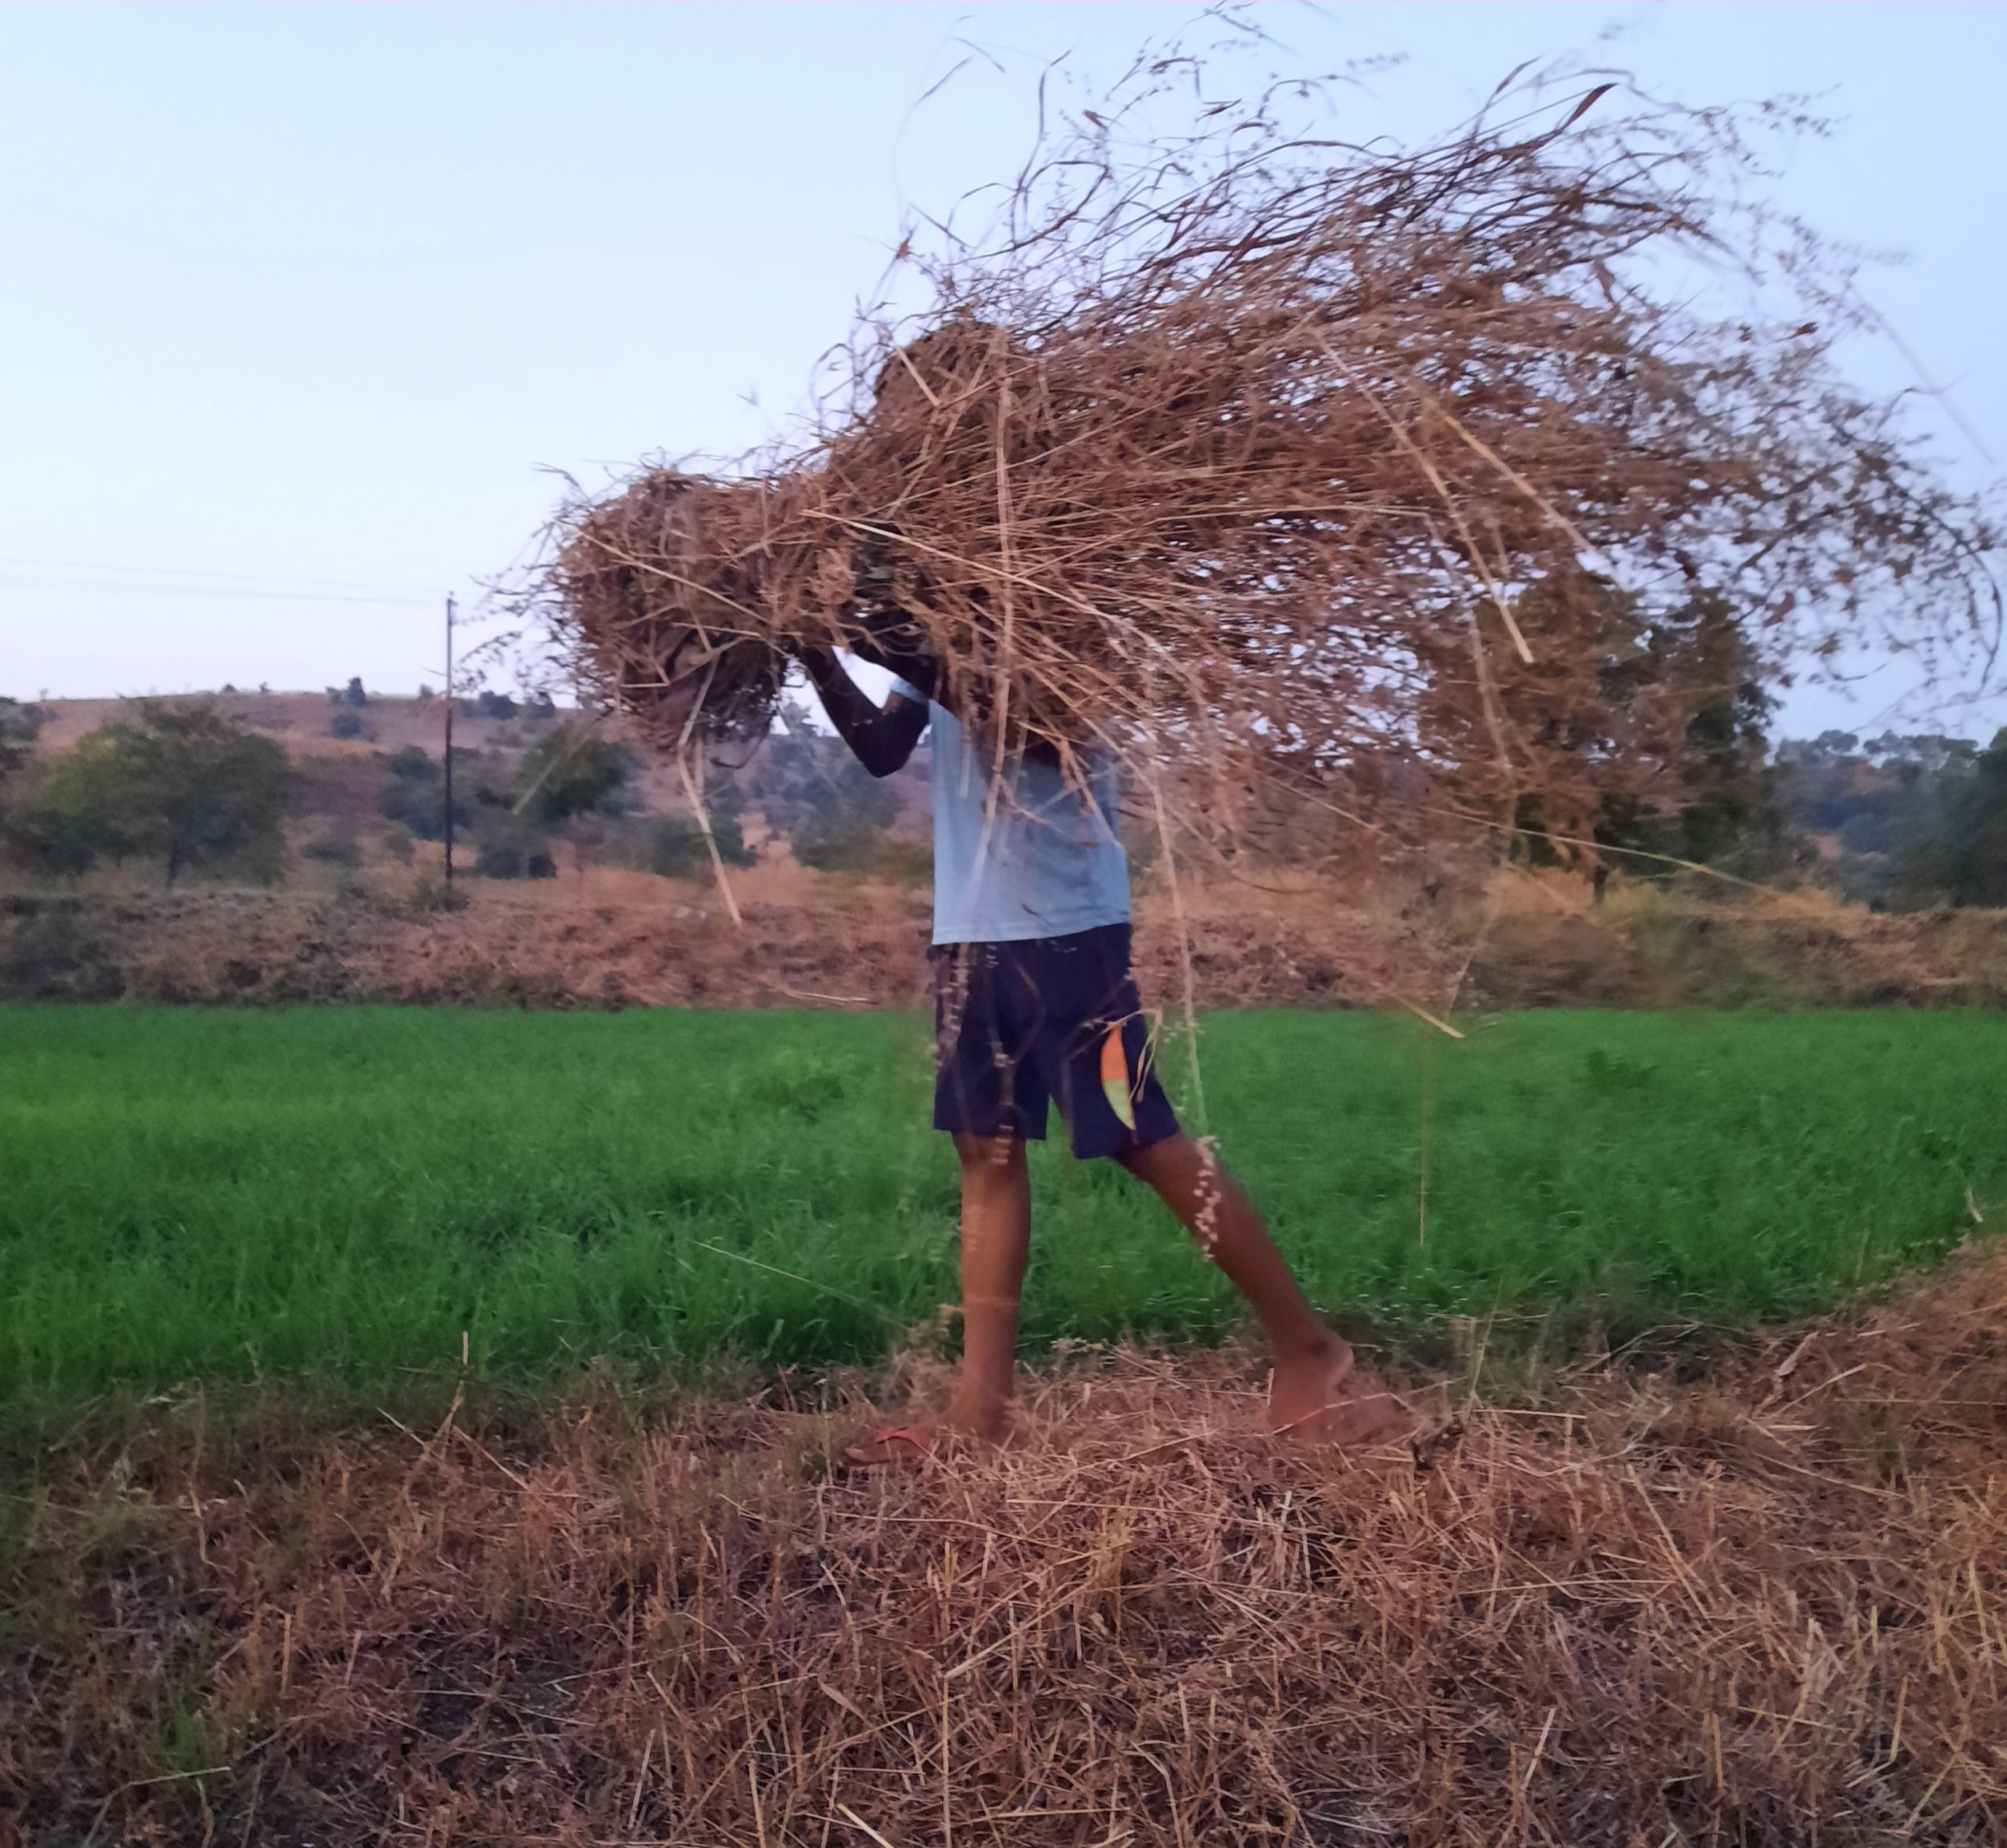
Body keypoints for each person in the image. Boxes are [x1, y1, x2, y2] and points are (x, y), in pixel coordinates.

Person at [799, 634, 1376, 1462]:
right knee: (985, 1150)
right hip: (970, 933)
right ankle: (980, 1412)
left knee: (1137, 1133)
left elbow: (1034, 727)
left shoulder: (1064, 619)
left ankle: (1312, 1351)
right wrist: (816, 652)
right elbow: (884, 749)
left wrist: (901, 644)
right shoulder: (937, 628)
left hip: (1067, 935)